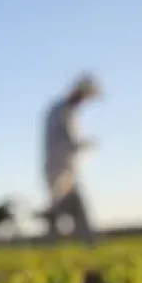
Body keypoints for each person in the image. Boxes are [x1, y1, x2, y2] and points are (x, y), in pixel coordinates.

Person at [39, 73, 100, 246]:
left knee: (65, 209)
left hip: (61, 169)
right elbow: (69, 140)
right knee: (69, 208)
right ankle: (87, 242)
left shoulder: (60, 110)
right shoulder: (63, 111)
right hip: (59, 170)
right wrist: (86, 145)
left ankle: (83, 241)